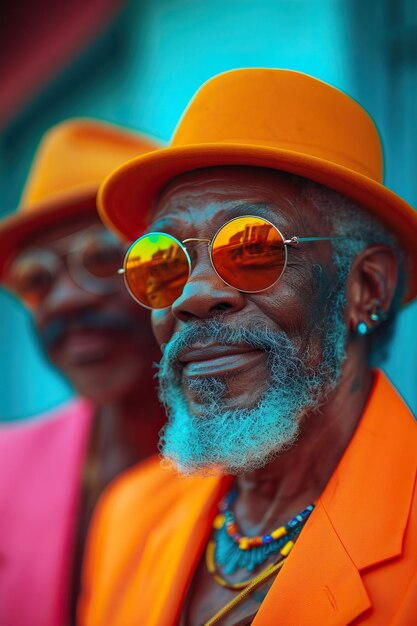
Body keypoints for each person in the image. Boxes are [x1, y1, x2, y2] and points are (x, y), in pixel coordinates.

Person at [79, 70, 417, 626]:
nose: (193, 295)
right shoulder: (129, 516)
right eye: (163, 262)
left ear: (365, 288)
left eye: (253, 248)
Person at [0, 120, 165, 626]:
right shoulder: (5, 468)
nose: (65, 299)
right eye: (36, 277)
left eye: (102, 258)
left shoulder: (265, 467)